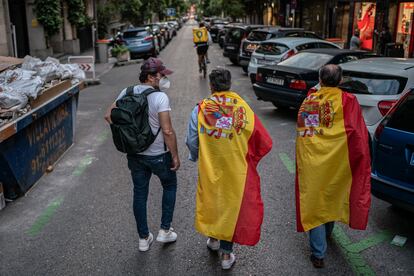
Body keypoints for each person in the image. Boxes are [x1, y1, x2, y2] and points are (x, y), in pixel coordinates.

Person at [186, 68, 272, 270]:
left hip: (210, 165)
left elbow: (191, 140)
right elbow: (261, 138)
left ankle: (214, 238)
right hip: (236, 168)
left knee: (213, 199)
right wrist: (251, 157)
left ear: (212, 85)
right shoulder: (243, 107)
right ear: (229, 84)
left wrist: (196, 155)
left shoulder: (200, 109)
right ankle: (226, 254)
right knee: (230, 205)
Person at [295, 64, 371, 268]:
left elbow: (303, 132)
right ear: (340, 80)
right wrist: (360, 160)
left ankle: (318, 253)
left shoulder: (310, 100)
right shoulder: (348, 101)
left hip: (313, 163)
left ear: (320, 79)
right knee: (332, 196)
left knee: (316, 202)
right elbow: (358, 134)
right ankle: (326, 236)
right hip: (339, 163)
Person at [105, 57, 180, 252]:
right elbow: (168, 130)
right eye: (161, 75)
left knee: (139, 194)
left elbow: (109, 116)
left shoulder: (126, 92)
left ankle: (143, 238)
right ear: (151, 77)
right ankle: (165, 230)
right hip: (159, 155)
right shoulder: (160, 97)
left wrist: (130, 135)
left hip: (136, 155)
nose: (163, 78)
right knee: (169, 185)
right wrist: (175, 155)